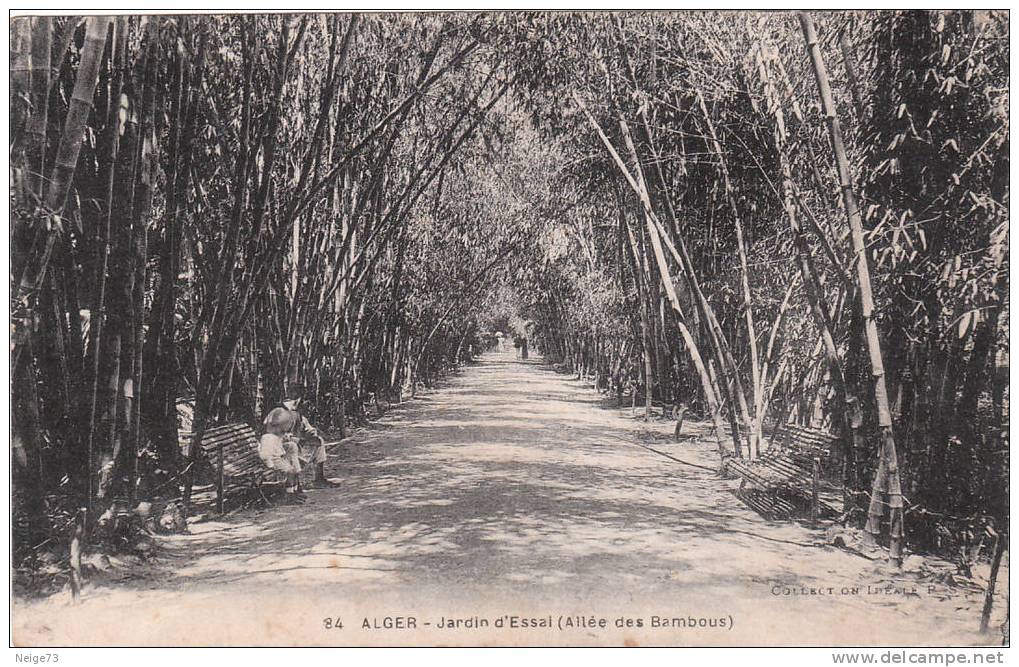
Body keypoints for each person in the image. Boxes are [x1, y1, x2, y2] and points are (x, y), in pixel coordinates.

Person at [263, 386, 340, 489]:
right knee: (292, 446)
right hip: (278, 451)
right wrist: (297, 439)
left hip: (292, 447)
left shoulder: (296, 413)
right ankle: (294, 485)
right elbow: (272, 436)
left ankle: (319, 479)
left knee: (318, 441)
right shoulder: (277, 413)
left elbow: (306, 427)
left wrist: (312, 434)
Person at [258, 410, 305, 503]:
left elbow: (281, 442)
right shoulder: (268, 438)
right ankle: (289, 495)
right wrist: (270, 466)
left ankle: (295, 491)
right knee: (290, 471)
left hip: (278, 458)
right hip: (273, 461)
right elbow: (264, 455)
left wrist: (288, 440)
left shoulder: (275, 436)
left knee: (294, 469)